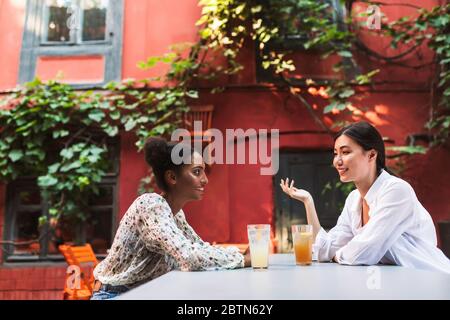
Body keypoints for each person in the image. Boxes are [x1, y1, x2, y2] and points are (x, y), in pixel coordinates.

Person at [280, 121, 450, 274]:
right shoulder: (354, 199)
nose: (337, 161)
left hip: (431, 281)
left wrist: (336, 255)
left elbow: (363, 252)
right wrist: (308, 201)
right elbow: (324, 250)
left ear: (371, 155)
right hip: (396, 285)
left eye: (345, 152)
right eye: (335, 153)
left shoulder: (396, 191)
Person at [91, 137, 250, 300]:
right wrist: (242, 260)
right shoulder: (151, 205)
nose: (205, 179)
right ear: (172, 177)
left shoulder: (174, 213)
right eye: (197, 172)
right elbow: (188, 257)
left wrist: (239, 252)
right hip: (113, 294)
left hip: (142, 293)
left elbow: (198, 248)